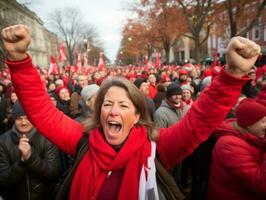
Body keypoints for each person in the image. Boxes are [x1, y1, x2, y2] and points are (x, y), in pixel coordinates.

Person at [1, 24, 260, 200]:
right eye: (107, 104)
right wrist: (19, 62)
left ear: (137, 115)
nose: (114, 111)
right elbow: (42, 111)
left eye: (123, 105)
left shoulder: (158, 147)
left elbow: (200, 120)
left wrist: (232, 75)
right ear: (98, 111)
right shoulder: (83, 141)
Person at [0, 101, 61, 200]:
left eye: (27, 118)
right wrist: (22, 162)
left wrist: (30, 157)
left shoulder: (47, 138)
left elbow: (53, 174)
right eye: (19, 119)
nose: (24, 122)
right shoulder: (3, 141)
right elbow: (3, 181)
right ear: (14, 119)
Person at [208, 98, 266, 200]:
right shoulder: (229, 145)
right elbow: (261, 184)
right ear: (248, 123)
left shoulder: (253, 136)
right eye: (263, 121)